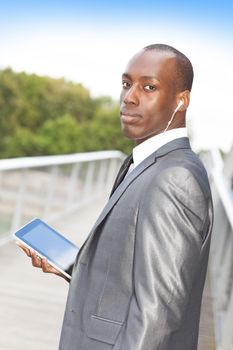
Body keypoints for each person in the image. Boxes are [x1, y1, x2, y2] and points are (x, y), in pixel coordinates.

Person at [18, 44, 213, 350]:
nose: (129, 97)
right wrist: (76, 266)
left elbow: (158, 315)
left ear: (181, 100)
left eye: (149, 87)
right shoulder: (145, 163)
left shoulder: (175, 177)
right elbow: (133, 273)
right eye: (126, 84)